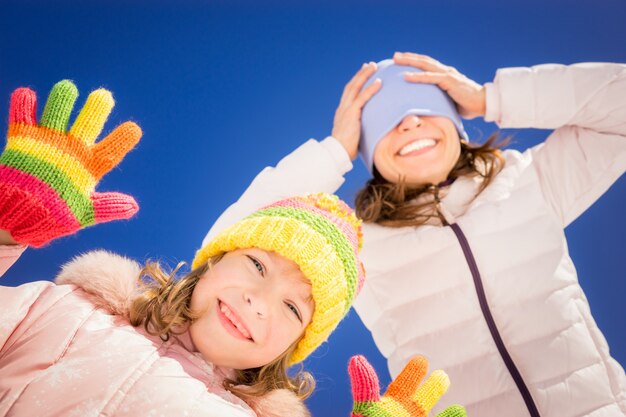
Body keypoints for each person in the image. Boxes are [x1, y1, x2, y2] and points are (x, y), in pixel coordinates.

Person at [202, 54, 626, 417]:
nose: (409, 121)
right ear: (370, 153)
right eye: (385, 119)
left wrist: (490, 98)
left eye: (426, 106)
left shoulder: (529, 181)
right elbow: (237, 237)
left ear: (456, 123)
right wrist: (335, 149)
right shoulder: (360, 247)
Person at [0, 80, 371, 417]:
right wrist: (4, 230)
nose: (258, 303)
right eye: (257, 266)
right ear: (213, 261)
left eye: (292, 307)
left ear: (295, 345)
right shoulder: (67, 310)